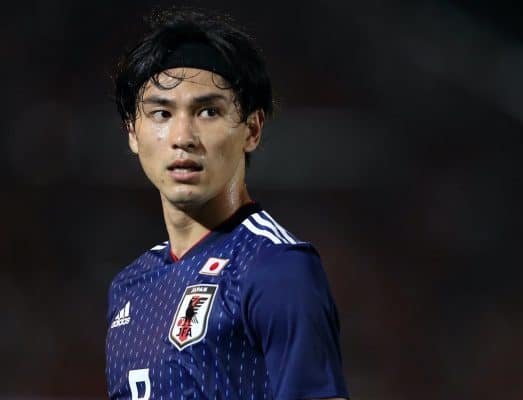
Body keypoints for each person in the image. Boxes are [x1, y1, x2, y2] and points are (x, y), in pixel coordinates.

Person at [105, 8, 349, 400]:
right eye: (162, 113)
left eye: (208, 111)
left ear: (251, 129)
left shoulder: (276, 268)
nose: (183, 136)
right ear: (133, 134)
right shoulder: (128, 287)